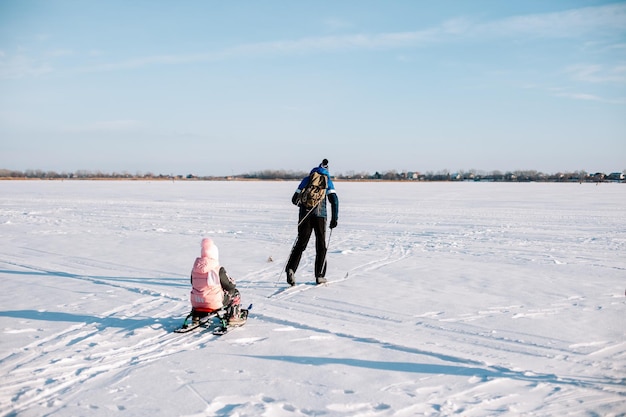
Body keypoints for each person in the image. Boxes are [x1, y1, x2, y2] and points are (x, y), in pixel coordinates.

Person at [286, 159, 339, 286]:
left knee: (300, 244)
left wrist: (304, 207)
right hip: (320, 216)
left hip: (305, 216)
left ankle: (291, 269)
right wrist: (334, 219)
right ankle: (319, 275)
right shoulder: (327, 181)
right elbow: (334, 201)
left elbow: (294, 200)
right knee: (321, 245)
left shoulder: (307, 180)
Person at [190, 238, 243, 325]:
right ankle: (234, 316)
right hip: (214, 302)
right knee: (235, 293)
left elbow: (193, 283)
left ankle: (196, 316)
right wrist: (233, 282)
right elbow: (229, 286)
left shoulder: (194, 269)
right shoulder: (218, 269)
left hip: (196, 301)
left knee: (200, 292)